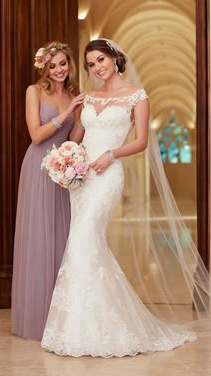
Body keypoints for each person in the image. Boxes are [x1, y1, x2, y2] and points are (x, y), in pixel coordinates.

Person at [41, 39, 211, 357]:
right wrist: (64, 158)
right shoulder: (89, 97)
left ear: (115, 59)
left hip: (107, 176)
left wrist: (110, 154)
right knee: (84, 245)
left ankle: (102, 328)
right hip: (80, 177)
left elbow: (142, 142)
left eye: (101, 60)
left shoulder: (137, 97)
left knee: (83, 240)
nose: (97, 67)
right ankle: (78, 328)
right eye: (90, 64)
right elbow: (78, 135)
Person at [11, 41, 85, 340]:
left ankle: (63, 318)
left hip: (63, 169)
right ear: (44, 66)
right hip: (38, 168)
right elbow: (36, 134)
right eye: (52, 65)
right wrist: (68, 110)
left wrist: (86, 116)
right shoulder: (34, 91)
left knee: (62, 236)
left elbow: (75, 136)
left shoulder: (73, 94)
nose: (58, 70)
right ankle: (38, 318)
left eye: (63, 64)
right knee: (40, 237)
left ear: (70, 65)